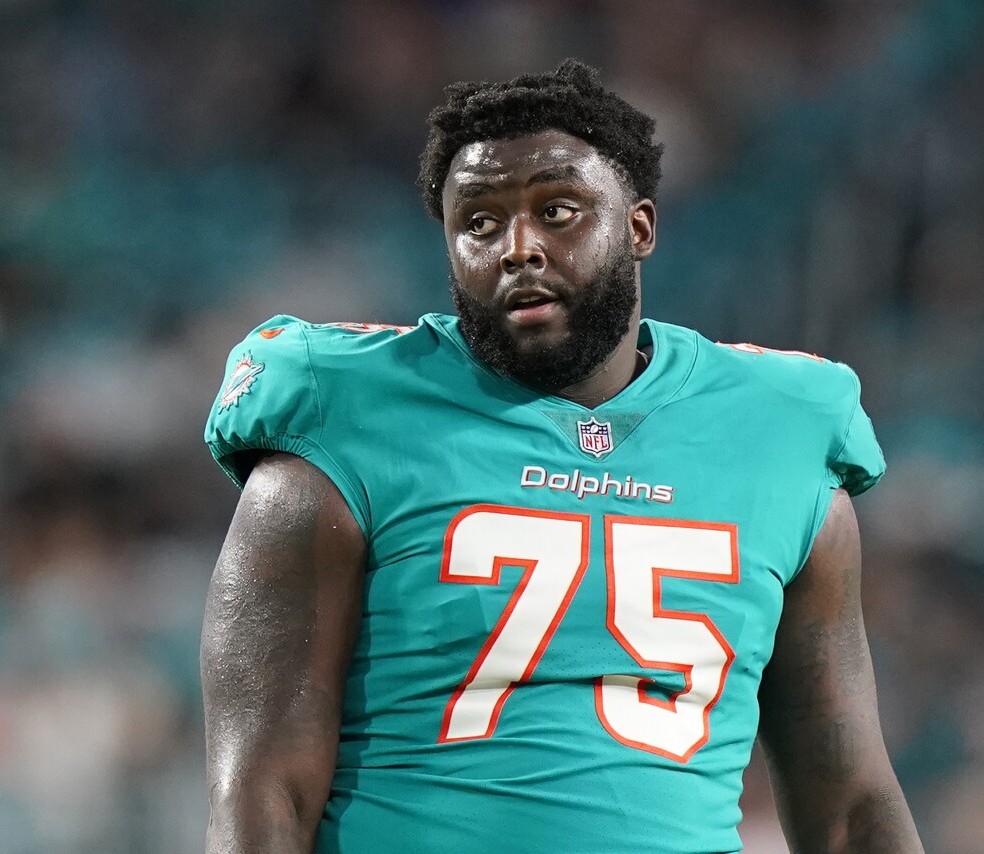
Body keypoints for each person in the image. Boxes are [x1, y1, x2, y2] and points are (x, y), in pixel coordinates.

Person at [201, 59, 923, 854]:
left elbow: (849, 805)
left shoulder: (778, 430)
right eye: (479, 222)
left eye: (557, 210)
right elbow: (263, 791)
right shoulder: (343, 417)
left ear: (639, 228)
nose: (518, 248)